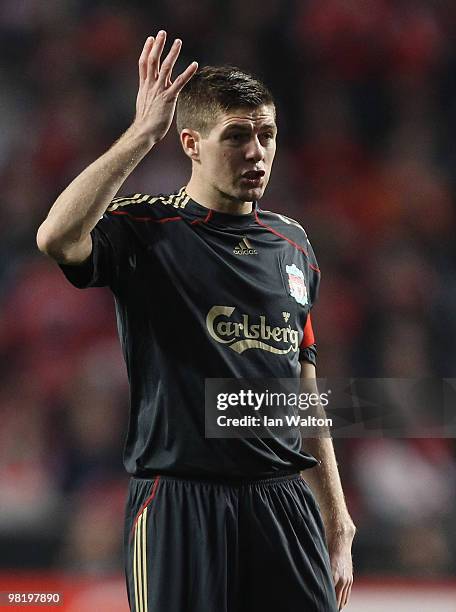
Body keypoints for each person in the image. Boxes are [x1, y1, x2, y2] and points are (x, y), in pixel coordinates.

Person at [37, 30, 355, 612]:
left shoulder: (295, 245)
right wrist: (140, 134)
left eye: (267, 135)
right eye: (236, 137)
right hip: (180, 498)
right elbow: (56, 236)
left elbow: (303, 384)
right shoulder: (146, 231)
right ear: (191, 143)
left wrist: (335, 514)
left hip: (281, 500)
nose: (256, 152)